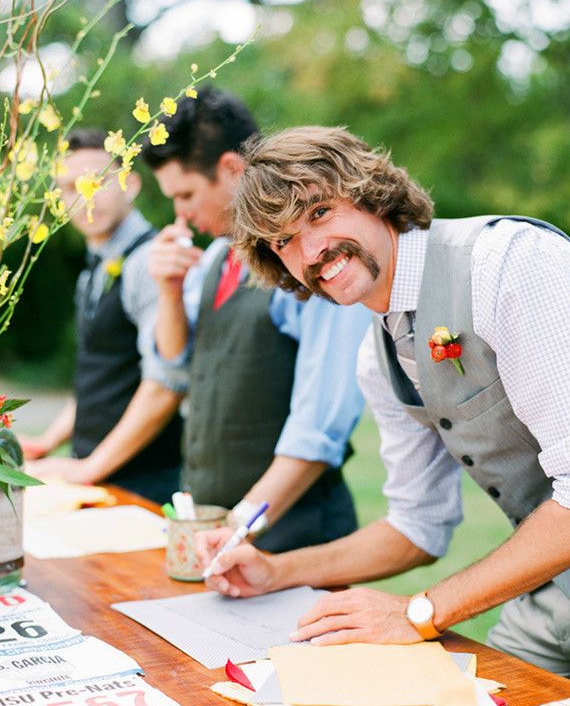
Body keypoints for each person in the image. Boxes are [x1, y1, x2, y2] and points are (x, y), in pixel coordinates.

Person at [196, 125, 570, 676]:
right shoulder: (379, 356)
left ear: (370, 192)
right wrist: (277, 571)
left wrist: (422, 611)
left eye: (319, 213)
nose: (312, 251)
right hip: (550, 601)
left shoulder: (510, 263)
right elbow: (417, 526)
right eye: (283, 241)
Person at [141, 90, 371, 552]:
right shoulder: (210, 262)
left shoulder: (314, 264)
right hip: (223, 533)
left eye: (186, 194)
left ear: (230, 169)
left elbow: (320, 425)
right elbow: (174, 361)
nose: (180, 213)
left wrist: (241, 526)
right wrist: (167, 291)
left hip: (297, 534)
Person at [22, 129, 183, 503]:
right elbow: (101, 372)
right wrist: (49, 441)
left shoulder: (150, 262)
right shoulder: (94, 267)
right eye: (68, 187)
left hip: (145, 484)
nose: (84, 197)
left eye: (96, 182)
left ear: (131, 184)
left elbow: (165, 385)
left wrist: (87, 468)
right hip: (98, 476)